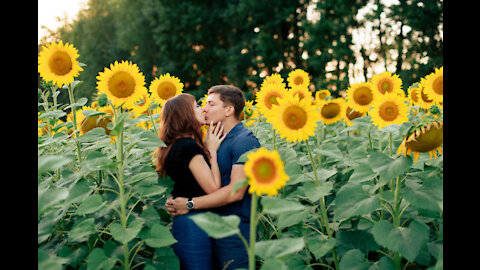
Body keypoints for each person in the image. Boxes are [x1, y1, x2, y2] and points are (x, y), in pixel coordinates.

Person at [165, 85, 261, 270]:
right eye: (202, 104)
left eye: (210, 104)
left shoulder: (245, 141)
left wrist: (189, 203)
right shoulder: (213, 139)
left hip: (235, 234)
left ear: (229, 110)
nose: (205, 109)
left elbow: (236, 192)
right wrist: (178, 197)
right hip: (210, 229)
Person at [155, 93, 226, 270]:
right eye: (195, 106)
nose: (202, 108)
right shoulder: (188, 146)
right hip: (194, 223)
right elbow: (213, 187)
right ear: (185, 114)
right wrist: (213, 151)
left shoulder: (173, 146)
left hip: (186, 221)